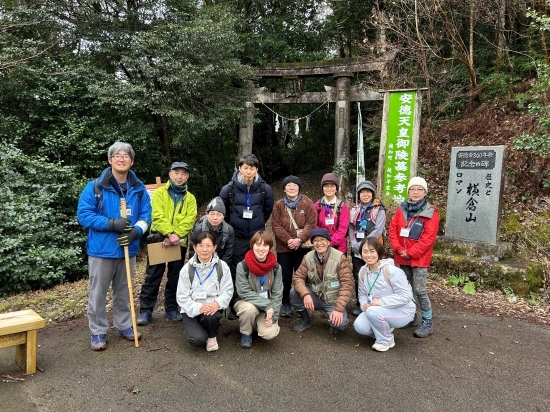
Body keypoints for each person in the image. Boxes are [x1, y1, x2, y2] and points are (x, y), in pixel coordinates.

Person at [77, 141, 151, 351]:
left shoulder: (138, 189)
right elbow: (84, 215)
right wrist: (110, 223)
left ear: (132, 161)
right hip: (102, 250)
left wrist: (136, 231)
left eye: (126, 155)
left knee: (124, 291)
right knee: (98, 293)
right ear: (110, 160)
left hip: (129, 248)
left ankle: (124, 325)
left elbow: (146, 215)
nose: (121, 158)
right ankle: (98, 331)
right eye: (117, 155)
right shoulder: (96, 187)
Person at [136, 162, 197, 325]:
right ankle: (146, 310)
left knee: (175, 276)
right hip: (159, 240)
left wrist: (176, 235)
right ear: (170, 174)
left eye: (184, 173)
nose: (180, 176)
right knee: (153, 275)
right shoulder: (159, 194)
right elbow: (156, 215)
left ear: (187, 177)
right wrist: (169, 234)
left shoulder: (190, 198)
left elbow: (190, 219)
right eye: (176, 173)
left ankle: (171, 308)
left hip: (180, 242)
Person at [219, 154, 274, 318]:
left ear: (256, 169)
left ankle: (257, 302)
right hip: (237, 236)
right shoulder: (228, 189)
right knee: (236, 270)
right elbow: (224, 212)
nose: (248, 172)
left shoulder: (265, 189)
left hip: (257, 238)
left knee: (256, 268)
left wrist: (257, 223)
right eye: (245, 168)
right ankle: (236, 305)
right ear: (239, 168)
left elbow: (267, 210)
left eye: (251, 168)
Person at [389, 176, 440, 338]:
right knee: (406, 288)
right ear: (408, 191)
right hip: (402, 256)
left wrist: (411, 252)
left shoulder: (431, 212)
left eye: (420, 189)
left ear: (425, 192)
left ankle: (427, 321)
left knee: (419, 289)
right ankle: (411, 316)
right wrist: (398, 248)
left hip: (419, 258)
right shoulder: (401, 209)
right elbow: (392, 230)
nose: (416, 192)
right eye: (412, 189)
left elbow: (428, 238)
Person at [353, 238, 415, 351]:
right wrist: (364, 305)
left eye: (372, 251)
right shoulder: (363, 271)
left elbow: (406, 296)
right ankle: (384, 329)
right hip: (378, 309)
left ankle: (386, 340)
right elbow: (362, 295)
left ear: (379, 252)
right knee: (360, 326)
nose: (368, 255)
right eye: (365, 251)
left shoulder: (391, 270)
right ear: (361, 254)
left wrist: (381, 302)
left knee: (372, 311)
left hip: (403, 311)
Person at [176, 232, 233, 352]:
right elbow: (181, 297)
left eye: (208, 245)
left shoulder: (222, 267)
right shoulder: (187, 269)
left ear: (214, 247)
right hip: (191, 309)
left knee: (210, 318)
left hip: (212, 308)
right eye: (201, 245)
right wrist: (199, 307)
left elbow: (227, 291)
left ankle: (212, 336)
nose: (205, 249)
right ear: (195, 247)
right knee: (197, 340)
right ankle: (201, 329)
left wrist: (217, 303)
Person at [290, 228, 354, 333]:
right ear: (312, 244)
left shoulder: (340, 258)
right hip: (315, 295)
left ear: (329, 242)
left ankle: (333, 321)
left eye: (322, 240)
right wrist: (305, 294)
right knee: (293, 292)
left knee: (340, 324)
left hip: (333, 300)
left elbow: (347, 285)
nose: (319, 243)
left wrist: (338, 309)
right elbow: (298, 277)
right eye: (315, 240)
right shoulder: (308, 257)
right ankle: (306, 320)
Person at [271, 175, 317, 318]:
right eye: (288, 185)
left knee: (301, 276)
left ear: (299, 188)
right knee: (284, 277)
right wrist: (288, 240)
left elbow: (311, 223)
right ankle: (285, 303)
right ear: (284, 189)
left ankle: (300, 303)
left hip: (302, 248)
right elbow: (276, 225)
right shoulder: (279, 205)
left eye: (294, 185)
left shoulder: (307, 202)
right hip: (284, 248)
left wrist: (299, 239)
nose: (291, 187)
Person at [234, 231, 283, 348]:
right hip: (246, 302)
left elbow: (277, 293)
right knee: (249, 309)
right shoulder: (243, 266)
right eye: (258, 244)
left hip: (267, 306)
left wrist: (274, 315)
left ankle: (258, 322)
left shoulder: (276, 267)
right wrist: (267, 305)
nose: (261, 249)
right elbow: (243, 291)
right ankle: (246, 332)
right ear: (252, 246)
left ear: (270, 247)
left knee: (269, 334)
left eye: (265, 245)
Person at [348, 180, 386, 316]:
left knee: (375, 276)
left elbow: (378, 229)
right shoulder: (355, 210)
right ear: (358, 194)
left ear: (373, 194)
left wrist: (363, 243)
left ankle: (376, 303)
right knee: (359, 276)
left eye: (368, 192)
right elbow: (351, 227)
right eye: (362, 192)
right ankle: (360, 304)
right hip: (357, 249)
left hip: (373, 248)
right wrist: (353, 242)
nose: (365, 194)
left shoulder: (379, 209)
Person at [188, 196, 234, 266]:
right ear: (207, 214)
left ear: (223, 216)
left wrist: (220, 267)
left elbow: (228, 252)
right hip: (202, 263)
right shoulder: (199, 229)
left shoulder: (229, 230)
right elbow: (193, 250)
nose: (215, 218)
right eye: (212, 214)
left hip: (220, 263)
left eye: (219, 214)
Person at [313, 173, 349, 254]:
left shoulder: (343, 207)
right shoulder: (316, 206)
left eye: (332, 186)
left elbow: (343, 229)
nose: (329, 188)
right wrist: (322, 241)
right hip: (321, 245)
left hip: (339, 247)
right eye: (326, 186)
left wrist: (330, 242)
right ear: (322, 188)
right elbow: (314, 225)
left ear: (336, 189)